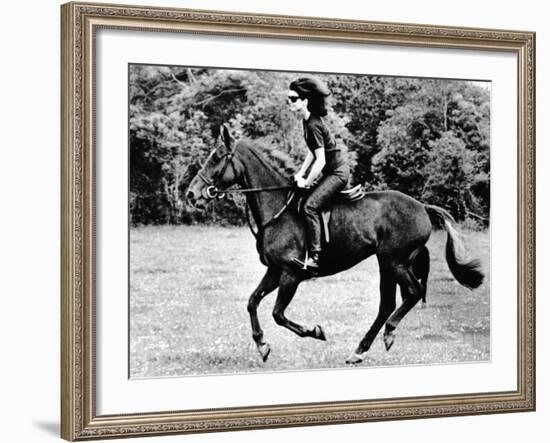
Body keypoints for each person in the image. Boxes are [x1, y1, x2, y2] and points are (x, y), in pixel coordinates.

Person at [287, 76, 350, 271]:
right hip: (330, 171)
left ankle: (315, 256)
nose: (289, 102)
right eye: (288, 98)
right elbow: (312, 153)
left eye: (293, 98)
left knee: (309, 206)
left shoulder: (313, 124)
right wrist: (301, 174)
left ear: (305, 101)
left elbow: (321, 160)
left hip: (337, 173)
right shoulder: (307, 122)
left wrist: (306, 182)